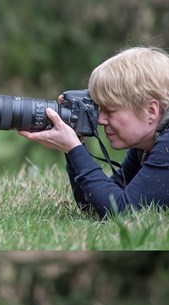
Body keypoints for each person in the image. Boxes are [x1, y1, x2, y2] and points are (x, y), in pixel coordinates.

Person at [18, 47, 169, 217]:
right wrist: (75, 142)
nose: (100, 119)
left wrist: (73, 147)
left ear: (151, 110)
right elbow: (94, 206)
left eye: (110, 110)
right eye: (100, 109)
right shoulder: (144, 147)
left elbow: (122, 211)